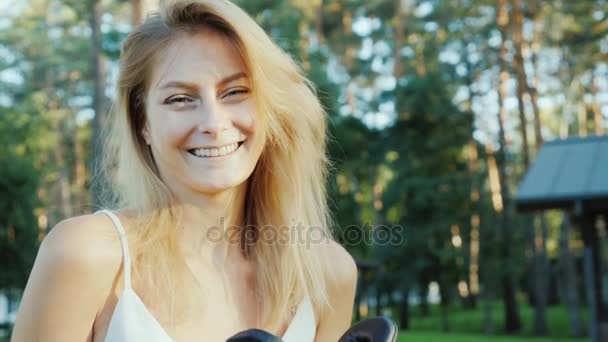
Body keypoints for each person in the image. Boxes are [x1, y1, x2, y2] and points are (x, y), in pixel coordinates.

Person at [11, 1, 358, 341]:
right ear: (143, 122)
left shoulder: (328, 274)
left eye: (235, 92)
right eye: (180, 99)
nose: (213, 123)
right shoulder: (85, 253)